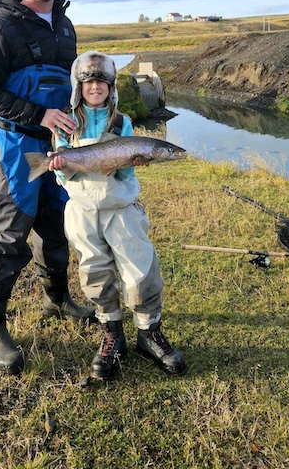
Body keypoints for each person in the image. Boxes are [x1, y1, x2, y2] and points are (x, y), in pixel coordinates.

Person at [0, 0, 94, 375]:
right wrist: (39, 113)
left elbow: (72, 84)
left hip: (58, 146)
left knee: (56, 222)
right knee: (9, 232)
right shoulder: (0, 28)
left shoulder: (66, 25)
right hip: (18, 144)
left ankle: (56, 297)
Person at [48, 50, 187, 380]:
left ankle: (148, 333)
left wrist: (130, 165)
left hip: (121, 210)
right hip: (82, 212)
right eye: (89, 82)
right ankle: (112, 334)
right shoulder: (65, 122)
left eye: (102, 82)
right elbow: (63, 177)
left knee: (140, 271)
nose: (95, 87)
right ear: (78, 87)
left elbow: (124, 174)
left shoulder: (121, 122)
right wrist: (59, 167)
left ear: (112, 88)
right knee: (94, 274)